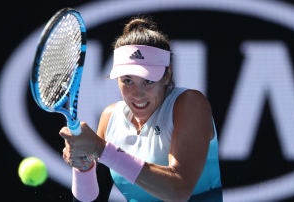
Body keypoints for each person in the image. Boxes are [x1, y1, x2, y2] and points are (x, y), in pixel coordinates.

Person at [60, 16, 222, 202]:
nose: (137, 94)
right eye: (127, 81)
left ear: (167, 75)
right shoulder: (111, 117)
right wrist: (83, 168)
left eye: (148, 81)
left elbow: (179, 191)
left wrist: (100, 148)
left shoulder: (191, 104)